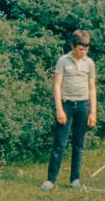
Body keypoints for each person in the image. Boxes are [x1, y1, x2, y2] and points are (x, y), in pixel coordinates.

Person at [41, 30, 98, 191]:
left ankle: (75, 179)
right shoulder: (63, 61)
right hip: (66, 104)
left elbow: (92, 88)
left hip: (83, 105)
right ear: (73, 46)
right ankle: (51, 179)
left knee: (78, 145)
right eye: (81, 49)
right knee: (59, 143)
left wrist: (93, 111)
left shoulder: (90, 63)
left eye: (86, 49)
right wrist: (59, 109)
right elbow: (57, 86)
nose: (83, 52)